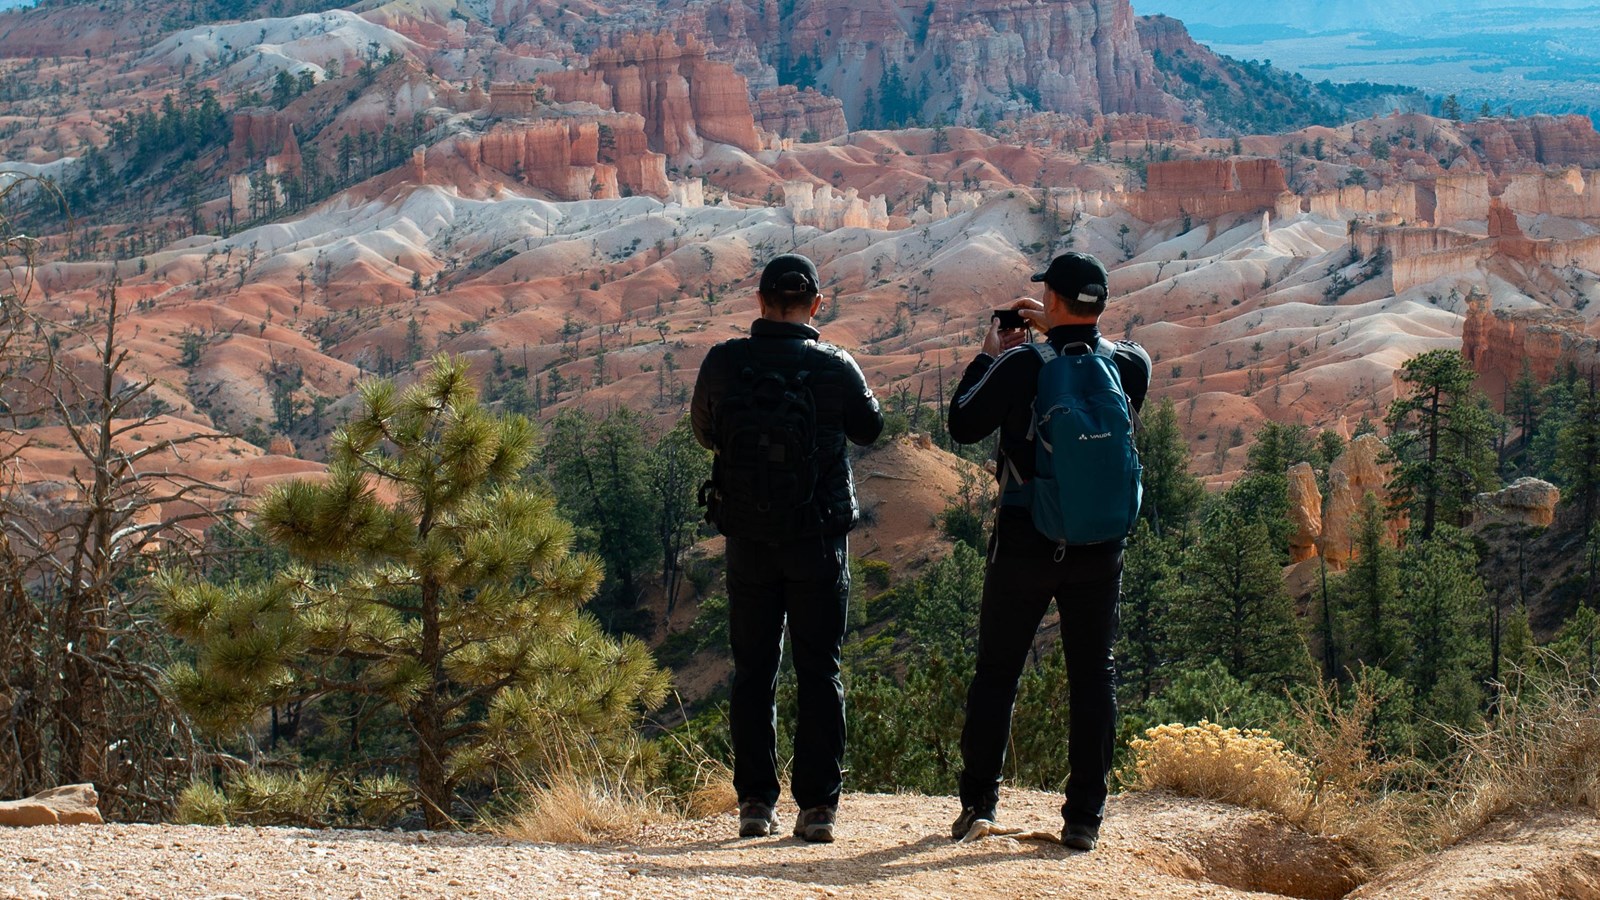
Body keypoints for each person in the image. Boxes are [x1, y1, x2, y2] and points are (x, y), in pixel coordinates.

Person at [945, 251, 1150, 851]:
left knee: (998, 672)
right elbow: (1098, 361)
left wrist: (990, 355)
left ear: (1051, 299)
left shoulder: (1020, 365)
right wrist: (1063, 324)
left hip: (1026, 541)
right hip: (1100, 546)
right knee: (1093, 675)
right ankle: (1084, 817)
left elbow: (961, 423)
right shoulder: (1130, 363)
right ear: (1101, 303)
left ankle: (979, 804)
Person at [691, 253, 883, 843]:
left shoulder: (724, 361)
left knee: (753, 671)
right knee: (820, 669)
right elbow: (870, 429)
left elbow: (705, 431)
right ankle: (818, 808)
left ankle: (755, 803)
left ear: (760, 300)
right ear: (816, 304)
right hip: (817, 540)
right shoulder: (834, 364)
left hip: (749, 538)